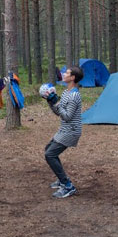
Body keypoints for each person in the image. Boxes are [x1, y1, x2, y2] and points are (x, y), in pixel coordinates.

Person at [44, 65, 84, 199]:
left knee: (50, 154)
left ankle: (68, 186)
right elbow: (58, 112)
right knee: (49, 149)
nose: (63, 74)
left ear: (73, 78)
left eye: (66, 73)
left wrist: (57, 105)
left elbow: (67, 116)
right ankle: (62, 179)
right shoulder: (66, 93)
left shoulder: (74, 96)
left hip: (71, 131)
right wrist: (51, 102)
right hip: (64, 129)